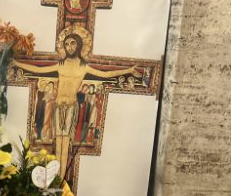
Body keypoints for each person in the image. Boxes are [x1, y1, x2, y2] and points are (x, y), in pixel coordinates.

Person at [14, 33, 142, 176]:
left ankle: (61, 178)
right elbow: (38, 70)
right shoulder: (60, 65)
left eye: (73, 43)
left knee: (65, 145)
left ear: (79, 45)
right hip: (58, 106)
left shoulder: (83, 67)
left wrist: (128, 70)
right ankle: (56, 178)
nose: (69, 47)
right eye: (66, 44)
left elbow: (105, 74)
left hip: (71, 107)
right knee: (58, 143)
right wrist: (17, 64)